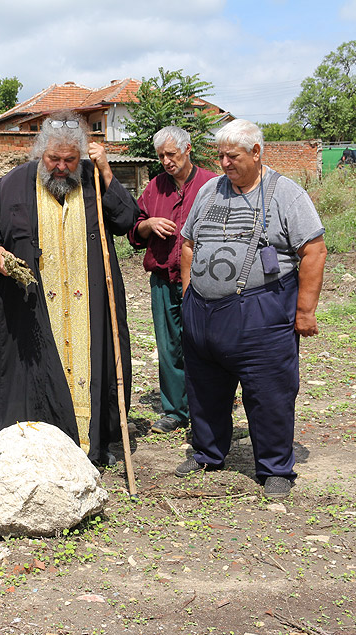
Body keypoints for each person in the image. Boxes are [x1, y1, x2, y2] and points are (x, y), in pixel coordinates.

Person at [0, 111, 140, 466]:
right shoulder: (13, 184)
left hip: (88, 308)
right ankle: (35, 443)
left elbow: (126, 220)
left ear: (81, 157)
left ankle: (89, 440)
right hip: (32, 310)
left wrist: (106, 170)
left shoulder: (94, 180)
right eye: (53, 159)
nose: (61, 167)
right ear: (39, 153)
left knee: (91, 367)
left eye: (70, 160)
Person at [177, 119, 327, 498]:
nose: (224, 163)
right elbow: (189, 243)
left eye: (233, 156)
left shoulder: (286, 194)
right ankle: (208, 453)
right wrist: (189, 293)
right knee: (204, 387)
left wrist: (305, 311)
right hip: (203, 312)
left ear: (256, 152)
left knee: (269, 392)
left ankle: (275, 468)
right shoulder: (209, 190)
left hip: (262, 312)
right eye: (221, 155)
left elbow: (314, 251)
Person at [127, 126, 216, 434]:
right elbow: (134, 228)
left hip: (204, 280)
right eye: (161, 156)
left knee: (203, 344)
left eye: (171, 154)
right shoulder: (154, 188)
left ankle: (206, 408)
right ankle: (175, 411)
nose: (166, 161)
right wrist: (148, 224)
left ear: (187, 149)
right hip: (163, 278)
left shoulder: (212, 185)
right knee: (168, 347)